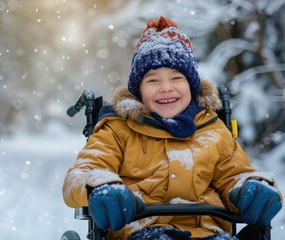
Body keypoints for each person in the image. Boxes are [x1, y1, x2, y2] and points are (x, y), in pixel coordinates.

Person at [62, 16, 282, 240]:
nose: (166, 88)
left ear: (191, 85)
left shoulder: (213, 131)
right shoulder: (118, 130)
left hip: (208, 232)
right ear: (139, 90)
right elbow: (83, 172)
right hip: (140, 230)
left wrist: (248, 189)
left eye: (176, 78)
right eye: (153, 80)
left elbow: (234, 174)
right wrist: (101, 187)